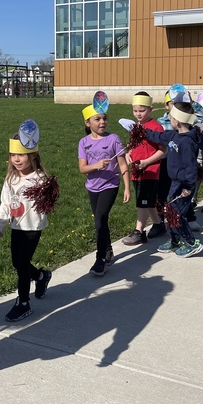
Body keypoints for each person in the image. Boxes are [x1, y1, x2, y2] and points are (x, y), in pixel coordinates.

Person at [0, 132, 53, 321]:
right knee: (18, 263)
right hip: (16, 227)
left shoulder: (40, 179)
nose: (16, 159)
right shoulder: (11, 179)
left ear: (33, 155)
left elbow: (47, 203)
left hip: (33, 227)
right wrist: (0, 224)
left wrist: (47, 194)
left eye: (21, 154)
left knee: (21, 264)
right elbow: (5, 203)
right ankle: (41, 276)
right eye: (13, 155)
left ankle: (24, 303)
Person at [143, 101, 203, 257]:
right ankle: (175, 241)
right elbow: (158, 136)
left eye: (170, 116)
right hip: (175, 182)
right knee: (170, 212)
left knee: (177, 214)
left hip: (184, 186)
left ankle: (191, 243)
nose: (169, 118)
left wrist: (188, 188)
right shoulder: (173, 135)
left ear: (176, 120)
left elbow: (191, 168)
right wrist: (141, 131)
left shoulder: (187, 142)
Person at [79, 105, 130, 276]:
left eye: (104, 118)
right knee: (101, 221)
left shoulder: (113, 139)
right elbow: (82, 168)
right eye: (97, 119)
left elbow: (122, 164)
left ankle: (100, 258)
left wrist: (127, 188)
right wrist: (96, 165)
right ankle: (108, 250)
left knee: (100, 218)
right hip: (92, 187)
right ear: (87, 123)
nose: (102, 122)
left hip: (110, 185)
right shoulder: (83, 143)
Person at [123, 92, 167, 245]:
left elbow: (163, 150)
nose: (138, 114)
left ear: (150, 109)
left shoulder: (156, 127)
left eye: (141, 111)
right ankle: (158, 224)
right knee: (147, 201)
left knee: (142, 201)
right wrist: (129, 153)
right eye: (135, 110)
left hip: (150, 171)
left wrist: (147, 162)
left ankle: (139, 231)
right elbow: (134, 145)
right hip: (137, 170)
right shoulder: (136, 126)